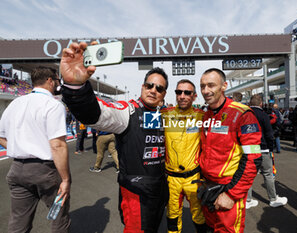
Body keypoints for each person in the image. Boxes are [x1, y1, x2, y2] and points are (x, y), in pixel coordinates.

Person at [60, 41, 168, 233]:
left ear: (164, 94)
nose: (153, 90)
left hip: (160, 190)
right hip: (136, 193)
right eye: (150, 85)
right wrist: (76, 87)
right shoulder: (128, 111)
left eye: (159, 88)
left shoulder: (164, 115)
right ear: (142, 87)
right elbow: (96, 114)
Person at [0, 67, 71, 233]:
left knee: (18, 222)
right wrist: (66, 179)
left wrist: (18, 148)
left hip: (17, 168)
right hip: (45, 170)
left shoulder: (15, 103)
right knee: (59, 219)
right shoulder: (53, 104)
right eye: (56, 80)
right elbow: (57, 145)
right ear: (49, 80)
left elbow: (1, 135)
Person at [198, 68, 262, 232]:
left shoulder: (243, 114)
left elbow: (254, 157)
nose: (206, 91)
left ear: (224, 86)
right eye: (203, 86)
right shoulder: (206, 115)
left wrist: (232, 194)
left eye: (211, 85)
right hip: (207, 188)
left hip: (228, 189)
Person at [161, 79, 207, 233]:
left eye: (187, 92)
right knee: (172, 215)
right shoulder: (164, 115)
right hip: (171, 178)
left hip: (193, 178)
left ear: (194, 96)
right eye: (178, 92)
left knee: (199, 215)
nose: (182, 96)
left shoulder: (202, 116)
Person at [246, 94, 288, 209]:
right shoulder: (263, 115)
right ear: (261, 103)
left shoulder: (245, 114)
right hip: (263, 147)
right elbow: (269, 134)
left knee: (248, 175)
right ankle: (273, 199)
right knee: (268, 174)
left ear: (250, 103)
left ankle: (247, 200)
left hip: (248, 149)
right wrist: (270, 147)